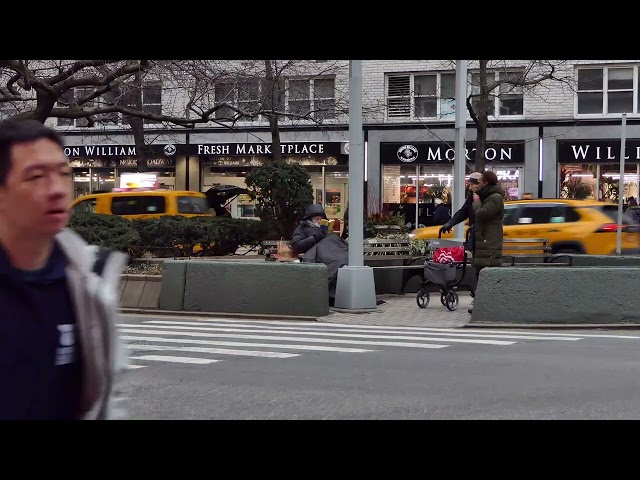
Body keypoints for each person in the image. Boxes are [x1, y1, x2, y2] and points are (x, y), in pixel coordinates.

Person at [0, 118, 129, 420]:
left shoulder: (89, 282)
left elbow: (105, 399)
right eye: (35, 177)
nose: (57, 189)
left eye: (63, 174)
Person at [291, 204, 348, 307]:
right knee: (335, 262)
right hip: (321, 253)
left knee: (347, 259)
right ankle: (331, 295)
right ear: (309, 217)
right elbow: (297, 245)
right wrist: (316, 237)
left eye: (321, 216)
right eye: (316, 216)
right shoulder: (302, 229)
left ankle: (343, 294)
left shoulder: (326, 228)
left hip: (335, 250)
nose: (319, 218)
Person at [468, 170, 504, 314]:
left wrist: (476, 202)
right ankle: (480, 303)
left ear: (486, 182)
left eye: (481, 181)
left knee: (486, 272)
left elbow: (482, 213)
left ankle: (487, 304)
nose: (479, 184)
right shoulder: (489, 197)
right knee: (480, 270)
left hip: (489, 242)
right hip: (484, 240)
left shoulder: (494, 198)